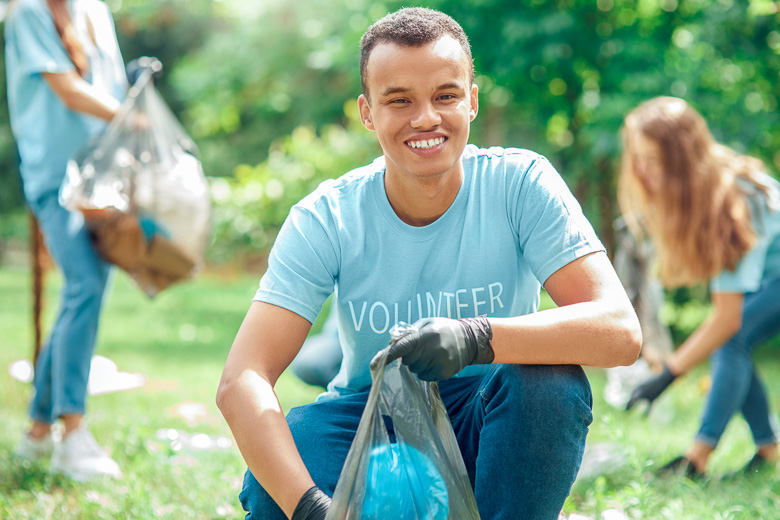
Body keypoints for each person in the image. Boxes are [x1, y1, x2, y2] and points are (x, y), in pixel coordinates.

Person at [217, 7, 641, 520]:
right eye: (399, 101)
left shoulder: (521, 184)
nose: (426, 118)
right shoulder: (327, 216)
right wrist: (311, 510)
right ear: (367, 112)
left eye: (446, 96)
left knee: (548, 384)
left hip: (490, 414)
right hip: (370, 419)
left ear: (473, 100)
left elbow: (620, 330)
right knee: (278, 483)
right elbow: (243, 378)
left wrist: (473, 337)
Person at [620, 96, 780, 478]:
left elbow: (727, 321)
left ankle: (697, 458)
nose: (642, 172)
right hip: (771, 279)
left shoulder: (734, 198)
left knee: (731, 338)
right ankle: (769, 448)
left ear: (681, 159)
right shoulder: (703, 189)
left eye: (653, 160)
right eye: (637, 158)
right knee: (733, 341)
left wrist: (667, 375)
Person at [6, 0, 127, 481]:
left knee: (87, 291)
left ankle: (38, 431)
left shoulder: (95, 10)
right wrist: (131, 117)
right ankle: (72, 433)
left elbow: (111, 83)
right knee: (84, 288)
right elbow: (67, 89)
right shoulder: (29, 12)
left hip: (101, 177)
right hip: (56, 176)